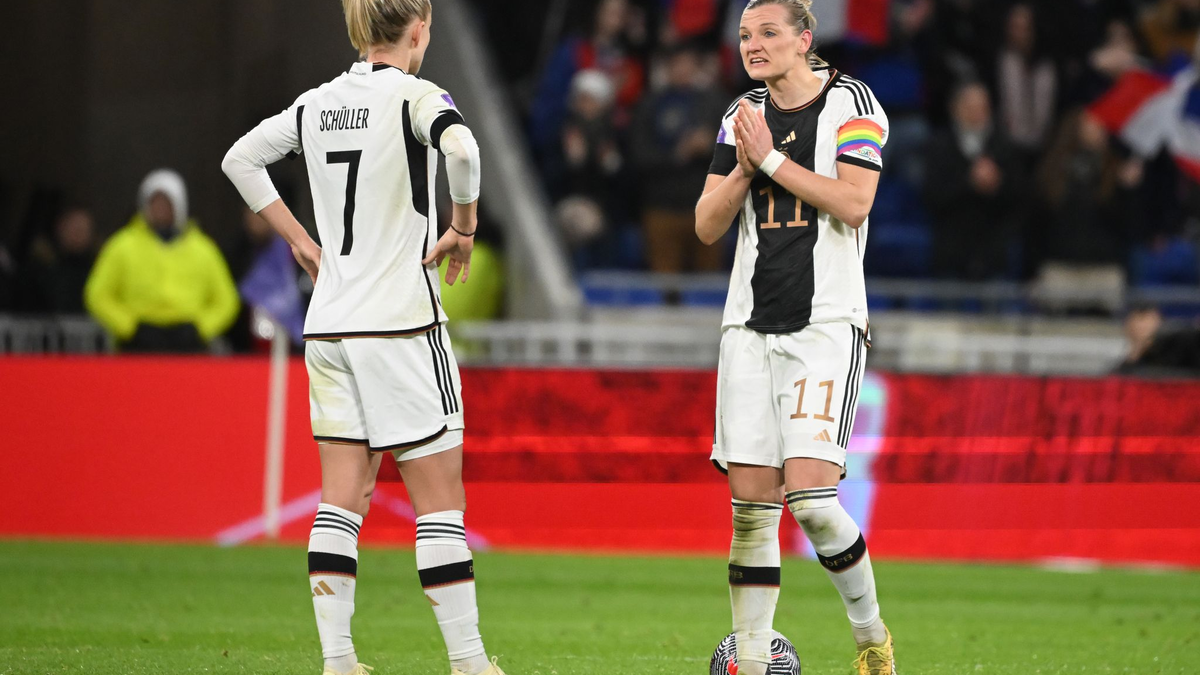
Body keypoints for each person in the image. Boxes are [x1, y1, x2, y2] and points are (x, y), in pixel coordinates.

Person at [221, 2, 505, 675]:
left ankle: (338, 658)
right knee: (438, 499)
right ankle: (468, 662)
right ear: (419, 29)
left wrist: (299, 241)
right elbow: (462, 148)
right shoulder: (417, 96)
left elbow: (240, 158)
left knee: (340, 497)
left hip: (330, 323)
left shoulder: (317, 103)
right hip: (400, 321)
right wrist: (463, 225)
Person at [693, 1, 896, 674]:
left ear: (804, 39)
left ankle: (871, 638)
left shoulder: (855, 103)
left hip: (825, 323)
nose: (753, 44)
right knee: (751, 510)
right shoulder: (739, 115)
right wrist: (747, 165)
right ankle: (751, 660)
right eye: (746, 34)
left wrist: (771, 161)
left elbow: (854, 201)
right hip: (747, 326)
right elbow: (705, 224)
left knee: (811, 500)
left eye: (769, 32)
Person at [84, 169, 240, 352]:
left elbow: (227, 300)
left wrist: (200, 328)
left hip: (188, 344)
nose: (160, 209)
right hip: (138, 344)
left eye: (167, 203)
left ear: (180, 205)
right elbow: (97, 295)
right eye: (154, 203)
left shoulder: (204, 250)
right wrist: (129, 327)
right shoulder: (121, 246)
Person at [924, 82, 1025, 280]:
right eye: (970, 108)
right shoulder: (939, 146)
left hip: (994, 250)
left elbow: (1021, 197)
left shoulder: (1005, 147)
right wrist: (968, 181)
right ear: (954, 109)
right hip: (950, 249)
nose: (976, 114)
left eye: (982, 108)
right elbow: (931, 195)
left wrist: (996, 185)